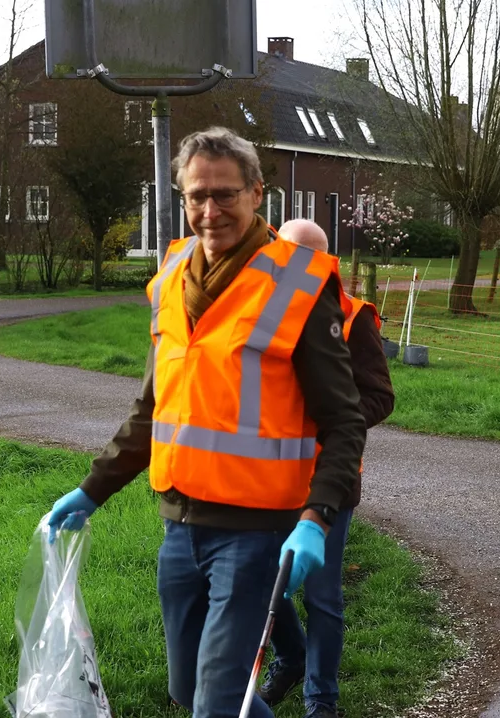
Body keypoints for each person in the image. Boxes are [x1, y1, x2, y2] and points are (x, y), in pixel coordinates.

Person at [46, 127, 367, 718]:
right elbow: (153, 408)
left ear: (256, 194)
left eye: (224, 194)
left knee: (216, 705)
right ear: (181, 197)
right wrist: (91, 491)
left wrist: (317, 518)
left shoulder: (298, 282)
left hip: (257, 531)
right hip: (179, 526)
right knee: (192, 692)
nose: (209, 210)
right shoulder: (171, 278)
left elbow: (345, 420)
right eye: (197, 196)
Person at [258, 219, 395, 718]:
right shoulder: (261, 309)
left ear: (323, 261)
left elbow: (380, 397)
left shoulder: (351, 315)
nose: (288, 266)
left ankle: (322, 700)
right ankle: (291, 658)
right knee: (259, 579)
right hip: (265, 476)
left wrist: (327, 423)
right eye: (282, 254)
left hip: (327, 481)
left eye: (301, 257)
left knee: (321, 594)